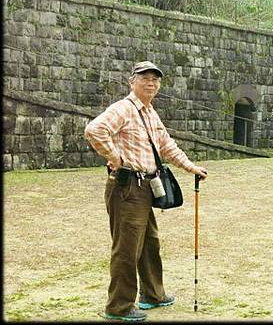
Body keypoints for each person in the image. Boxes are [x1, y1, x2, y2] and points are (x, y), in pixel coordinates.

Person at [84, 61, 208, 322]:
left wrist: (191, 167)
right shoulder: (123, 109)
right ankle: (118, 307)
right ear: (132, 82)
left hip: (145, 188)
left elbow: (167, 146)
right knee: (127, 248)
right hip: (127, 187)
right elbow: (94, 130)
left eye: (155, 80)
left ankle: (153, 294)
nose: (151, 83)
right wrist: (115, 157)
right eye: (145, 78)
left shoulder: (149, 112)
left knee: (149, 243)